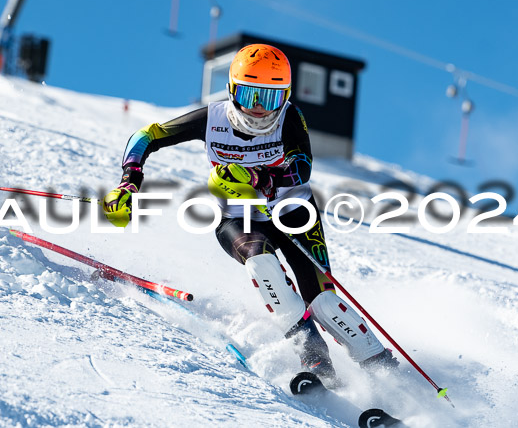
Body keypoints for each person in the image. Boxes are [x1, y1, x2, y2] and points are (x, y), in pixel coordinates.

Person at [102, 44, 398, 381]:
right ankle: (314, 357)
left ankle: (382, 367)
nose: (258, 109)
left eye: (269, 98)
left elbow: (301, 167)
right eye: (249, 95)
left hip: (294, 214)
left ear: (284, 97)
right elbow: (147, 136)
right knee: (262, 266)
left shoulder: (290, 117)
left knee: (323, 302)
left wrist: (260, 177)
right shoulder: (212, 118)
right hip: (238, 217)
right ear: (231, 90)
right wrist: (129, 182)